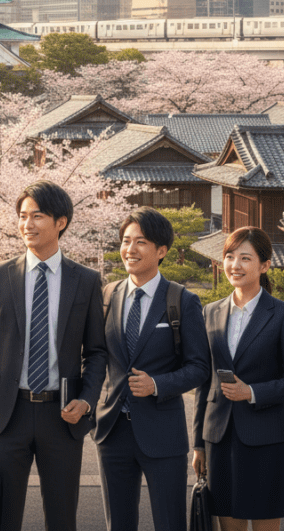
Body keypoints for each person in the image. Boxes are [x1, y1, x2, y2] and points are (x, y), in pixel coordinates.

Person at [0, 181, 106, 531]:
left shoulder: (87, 280)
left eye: (37, 216)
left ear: (60, 222)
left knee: (62, 519)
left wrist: (87, 400)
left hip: (61, 417)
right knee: (2, 519)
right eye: (22, 216)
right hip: (6, 415)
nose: (26, 224)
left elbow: (96, 352)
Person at [92, 207, 210, 531]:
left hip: (162, 432)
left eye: (140, 241)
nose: (130, 249)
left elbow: (200, 367)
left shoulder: (181, 300)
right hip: (112, 432)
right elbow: (93, 359)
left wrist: (158, 384)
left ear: (161, 251)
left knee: (170, 523)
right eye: (126, 240)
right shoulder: (107, 296)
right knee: (118, 524)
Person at [191, 227, 284, 531]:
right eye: (229, 257)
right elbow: (205, 383)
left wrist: (251, 392)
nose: (235, 265)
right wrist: (198, 445)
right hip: (219, 436)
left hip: (266, 437)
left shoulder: (283, 314)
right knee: (229, 525)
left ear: (265, 265)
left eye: (245, 258)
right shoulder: (210, 312)